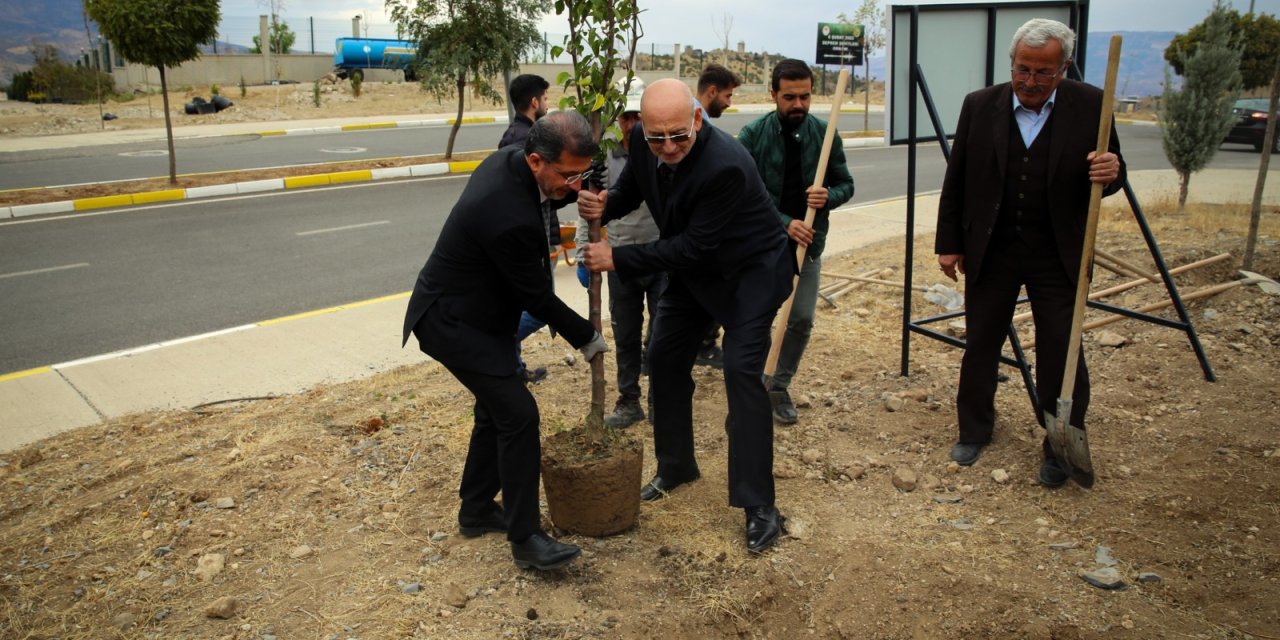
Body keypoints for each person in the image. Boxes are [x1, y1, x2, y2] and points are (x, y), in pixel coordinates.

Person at [578, 79, 795, 554]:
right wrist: (604, 205)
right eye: (658, 138)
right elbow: (633, 189)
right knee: (665, 356)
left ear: (698, 118)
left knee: (741, 375)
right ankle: (676, 465)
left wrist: (619, 260)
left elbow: (694, 245)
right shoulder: (642, 140)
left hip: (747, 276)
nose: (668, 147)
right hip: (695, 274)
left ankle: (760, 506)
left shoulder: (726, 165)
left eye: (678, 135)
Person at [403, 111, 609, 570]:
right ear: (536, 159)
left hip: (476, 314)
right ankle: (526, 538)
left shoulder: (512, 162)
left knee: (494, 413)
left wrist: (580, 195)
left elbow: (543, 200)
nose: (576, 186)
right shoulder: (506, 213)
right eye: (568, 175)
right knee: (518, 415)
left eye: (582, 174)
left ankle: (476, 510)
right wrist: (587, 336)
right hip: (451, 322)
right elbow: (535, 296)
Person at [933, 18, 1124, 487]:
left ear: (1063, 68)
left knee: (1063, 349)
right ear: (1012, 64)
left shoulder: (1092, 105)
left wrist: (1111, 169)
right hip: (992, 249)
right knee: (980, 344)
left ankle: (1060, 442)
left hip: (1058, 252)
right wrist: (949, 244)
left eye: (1044, 72)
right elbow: (956, 178)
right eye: (1023, 70)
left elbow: (1112, 177)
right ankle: (975, 428)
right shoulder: (979, 106)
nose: (1031, 82)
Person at [738, 59, 855, 425]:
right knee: (757, 317)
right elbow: (743, 194)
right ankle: (750, 383)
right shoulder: (752, 136)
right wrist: (786, 222)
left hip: (810, 246)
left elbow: (845, 184)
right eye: (790, 97)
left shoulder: (825, 133)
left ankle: (778, 384)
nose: (799, 105)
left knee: (801, 319)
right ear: (773, 94)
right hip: (762, 246)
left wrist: (827, 196)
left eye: (805, 96)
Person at [573, 80, 666, 429]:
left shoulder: (660, 151)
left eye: (636, 116)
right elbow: (592, 209)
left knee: (661, 336)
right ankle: (629, 400)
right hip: (619, 259)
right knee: (625, 334)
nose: (631, 124)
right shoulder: (603, 157)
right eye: (625, 117)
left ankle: (661, 399)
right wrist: (586, 251)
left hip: (658, 256)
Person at [499, 74, 556, 384]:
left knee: (522, 303)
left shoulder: (513, 134)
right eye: (545, 99)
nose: (547, 104)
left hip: (526, 236)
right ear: (534, 102)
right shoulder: (527, 141)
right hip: (529, 240)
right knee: (540, 306)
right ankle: (500, 342)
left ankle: (514, 367)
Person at [691, 62, 743, 368]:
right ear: (712, 91)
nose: (728, 102)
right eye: (727, 95)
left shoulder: (697, 122)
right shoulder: (698, 127)